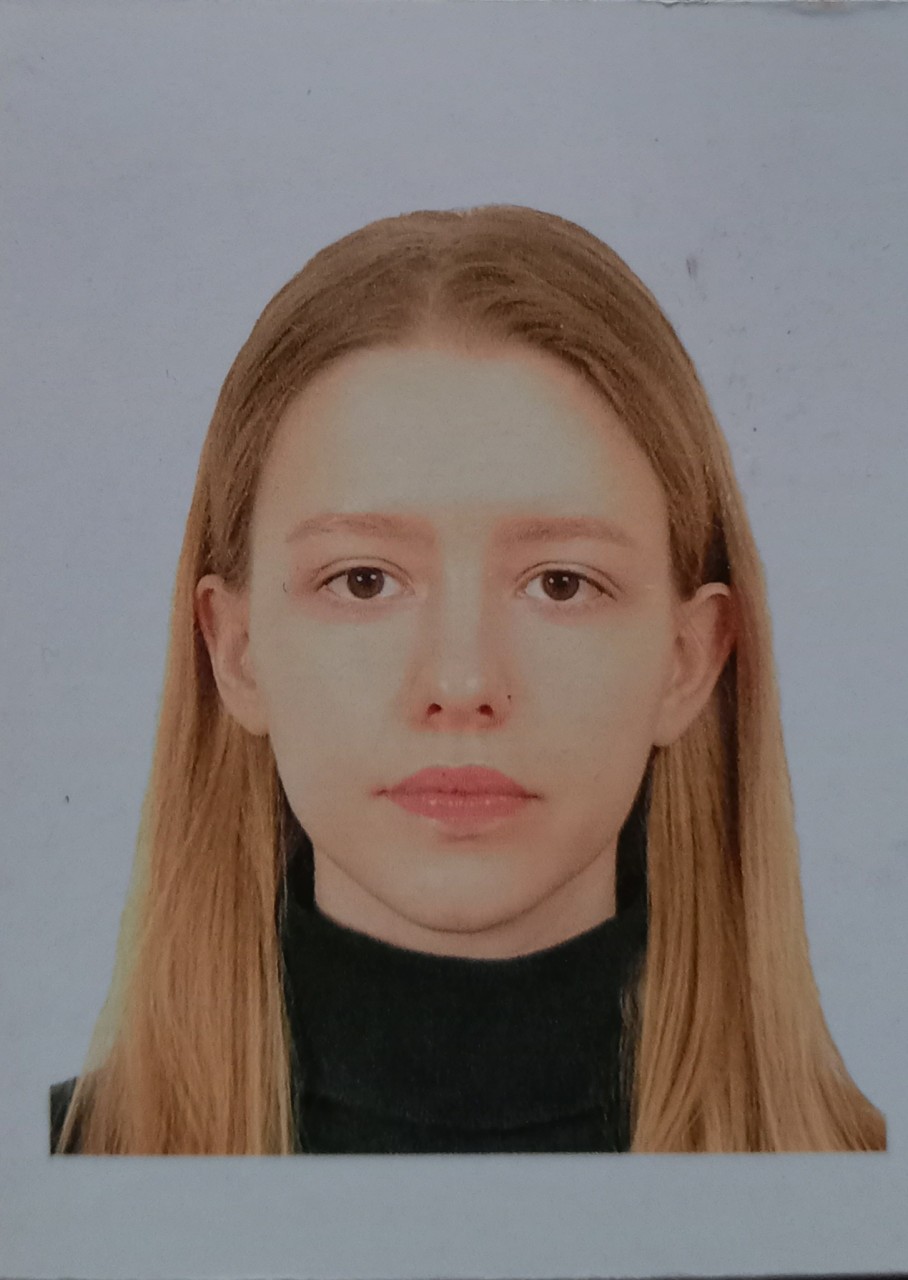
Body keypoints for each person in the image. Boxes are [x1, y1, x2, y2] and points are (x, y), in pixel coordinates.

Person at [49, 204, 886, 1155]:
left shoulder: (866, 1191)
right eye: (363, 581)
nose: (460, 682)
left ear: (688, 660)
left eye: (560, 583)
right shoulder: (49, 1183)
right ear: (234, 650)